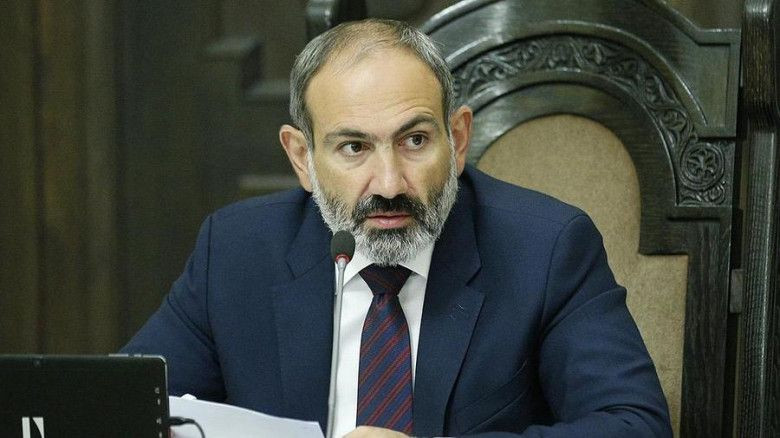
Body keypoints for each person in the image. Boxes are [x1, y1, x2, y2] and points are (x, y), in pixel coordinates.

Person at [122, 18, 672, 438]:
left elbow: (634, 425)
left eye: (414, 140)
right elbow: (118, 407)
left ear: (457, 140)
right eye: (353, 147)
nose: (388, 183)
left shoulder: (546, 248)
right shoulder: (237, 250)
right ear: (302, 158)